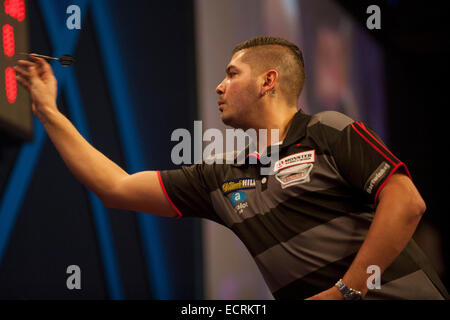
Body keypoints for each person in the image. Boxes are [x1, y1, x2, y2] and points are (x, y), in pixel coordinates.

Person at [15, 36, 448, 300]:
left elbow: (406, 201)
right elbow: (115, 187)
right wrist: (49, 111)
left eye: (232, 73)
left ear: (268, 81)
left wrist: (346, 292)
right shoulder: (218, 178)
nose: (220, 86)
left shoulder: (328, 130)